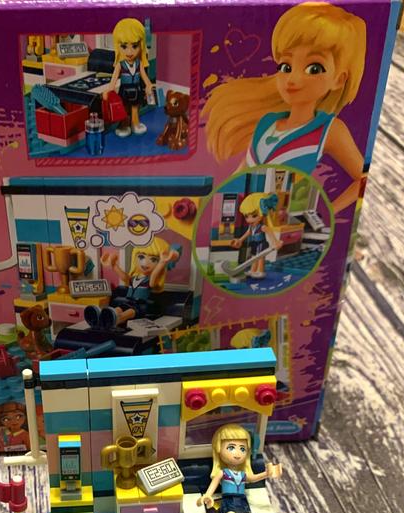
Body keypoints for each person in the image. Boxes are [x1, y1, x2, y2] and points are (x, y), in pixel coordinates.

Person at [202, 3, 366, 213]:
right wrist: (212, 206)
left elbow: (362, 178)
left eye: (314, 68)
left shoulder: (329, 130)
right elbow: (241, 174)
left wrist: (328, 212)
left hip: (284, 222)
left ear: (339, 79)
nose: (293, 79)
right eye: (285, 66)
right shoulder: (267, 122)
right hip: (246, 216)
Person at [197, 424, 282, 513]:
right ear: (218, 448)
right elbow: (213, 485)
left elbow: (253, 478)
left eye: (242, 449)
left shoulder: (242, 474)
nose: (237, 453)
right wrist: (207, 496)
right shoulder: (223, 473)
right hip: (228, 501)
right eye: (231, 447)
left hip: (242, 501)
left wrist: (266, 474)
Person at [85, 236, 178, 329]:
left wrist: (162, 262)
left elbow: (154, 276)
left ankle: (116, 320)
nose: (145, 263)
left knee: (130, 311)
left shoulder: (149, 281)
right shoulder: (134, 278)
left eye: (153, 259)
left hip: (141, 306)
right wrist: (113, 265)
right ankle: (101, 317)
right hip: (128, 302)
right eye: (141, 257)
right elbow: (124, 277)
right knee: (118, 309)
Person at [104, 18, 155, 138]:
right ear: (118, 46)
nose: (130, 51)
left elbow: (144, 76)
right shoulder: (120, 65)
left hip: (136, 89)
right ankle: (124, 124)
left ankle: (135, 123)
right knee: (125, 109)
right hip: (125, 90)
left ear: (141, 45)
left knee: (135, 108)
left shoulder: (139, 63)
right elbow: (113, 80)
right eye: (124, 46)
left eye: (135, 46)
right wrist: (109, 90)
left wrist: (149, 85)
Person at [229, 193, 282, 279]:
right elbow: (248, 233)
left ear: (262, 213)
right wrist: (240, 240)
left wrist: (275, 242)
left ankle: (260, 271)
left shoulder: (262, 227)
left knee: (260, 258)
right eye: (246, 216)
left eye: (254, 216)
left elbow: (270, 232)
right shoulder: (251, 226)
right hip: (254, 243)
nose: (249, 219)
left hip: (261, 243)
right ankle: (253, 271)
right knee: (254, 257)